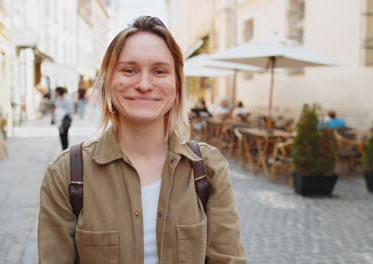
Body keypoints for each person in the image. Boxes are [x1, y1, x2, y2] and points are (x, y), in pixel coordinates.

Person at [38, 16, 246, 264]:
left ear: (177, 85)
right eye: (129, 70)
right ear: (107, 82)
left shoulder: (208, 168)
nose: (144, 84)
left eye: (159, 71)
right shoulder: (67, 173)